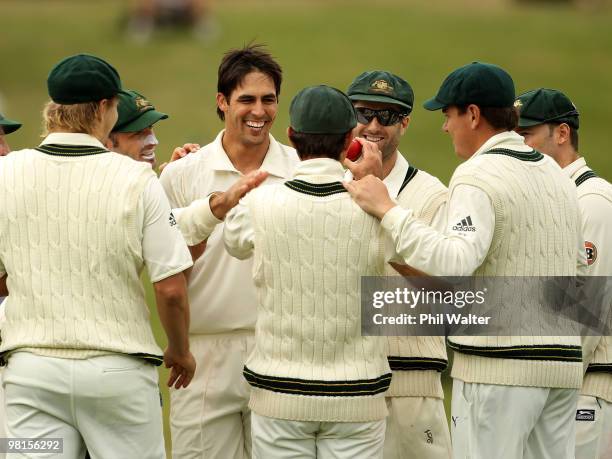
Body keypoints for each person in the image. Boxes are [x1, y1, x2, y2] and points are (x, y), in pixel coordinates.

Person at [344, 62, 585, 459]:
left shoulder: (477, 174)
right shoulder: (556, 173)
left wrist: (389, 211)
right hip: (562, 366)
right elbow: (579, 267)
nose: (444, 127)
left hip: (501, 368)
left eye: (448, 115)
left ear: (472, 114)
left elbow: (454, 263)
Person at [0, 53, 195, 459]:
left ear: (53, 110)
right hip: (117, 379)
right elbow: (172, 289)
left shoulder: (7, 172)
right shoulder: (138, 179)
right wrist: (179, 349)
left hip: (31, 377)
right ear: (106, 108)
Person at [220, 84, 395, 458]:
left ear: (290, 136)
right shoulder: (376, 206)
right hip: (358, 397)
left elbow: (233, 241)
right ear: (350, 138)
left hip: (280, 395)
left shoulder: (260, 203)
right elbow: (412, 247)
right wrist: (374, 181)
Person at [159, 44, 298, 459]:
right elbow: (168, 271)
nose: (259, 111)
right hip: (202, 354)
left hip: (277, 349)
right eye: (246, 100)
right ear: (222, 102)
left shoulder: (297, 169)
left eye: (268, 99)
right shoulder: (183, 173)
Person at [346, 70, 451, 459]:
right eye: (364, 112)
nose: (374, 126)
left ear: (404, 122)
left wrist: (385, 213)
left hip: (413, 376)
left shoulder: (433, 193)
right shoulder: (333, 183)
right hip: (349, 379)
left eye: (387, 117)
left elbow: (443, 291)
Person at [515, 88, 612, 459]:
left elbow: (587, 315)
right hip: (558, 387)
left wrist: (545, 385)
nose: (519, 146)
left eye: (526, 135)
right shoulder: (551, 201)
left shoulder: (592, 201)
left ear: (561, 134)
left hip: (586, 392)